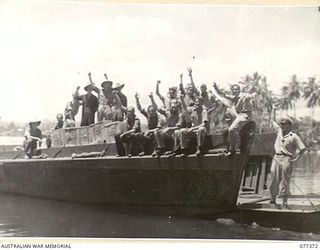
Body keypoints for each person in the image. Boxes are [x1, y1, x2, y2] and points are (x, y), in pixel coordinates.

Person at [269, 114, 306, 205]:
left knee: (285, 180)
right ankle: (272, 199)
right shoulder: (279, 132)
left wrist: (295, 159)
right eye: (281, 123)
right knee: (273, 176)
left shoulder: (294, 136)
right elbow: (272, 121)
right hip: (276, 157)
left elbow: (302, 149)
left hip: (286, 158)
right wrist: (274, 109)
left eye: (284, 124)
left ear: (289, 125)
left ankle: (284, 200)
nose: (282, 125)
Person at [213, 82, 258, 155]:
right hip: (239, 115)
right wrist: (216, 88)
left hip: (245, 115)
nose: (234, 91)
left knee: (231, 130)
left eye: (236, 89)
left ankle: (232, 149)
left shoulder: (244, 96)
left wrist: (255, 93)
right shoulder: (234, 98)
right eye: (233, 90)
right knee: (229, 113)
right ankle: (233, 145)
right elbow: (224, 95)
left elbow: (252, 96)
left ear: (239, 90)